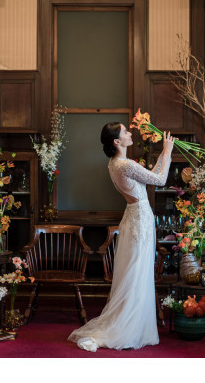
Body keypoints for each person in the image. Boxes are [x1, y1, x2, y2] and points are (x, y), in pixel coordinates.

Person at [68, 122, 175, 351]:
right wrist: (166, 152)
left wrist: (163, 155)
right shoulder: (124, 164)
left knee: (136, 270)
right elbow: (161, 180)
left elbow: (152, 176)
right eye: (126, 132)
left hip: (134, 217)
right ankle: (130, 327)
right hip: (139, 219)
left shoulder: (115, 163)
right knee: (137, 271)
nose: (130, 133)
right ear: (117, 141)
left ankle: (135, 324)